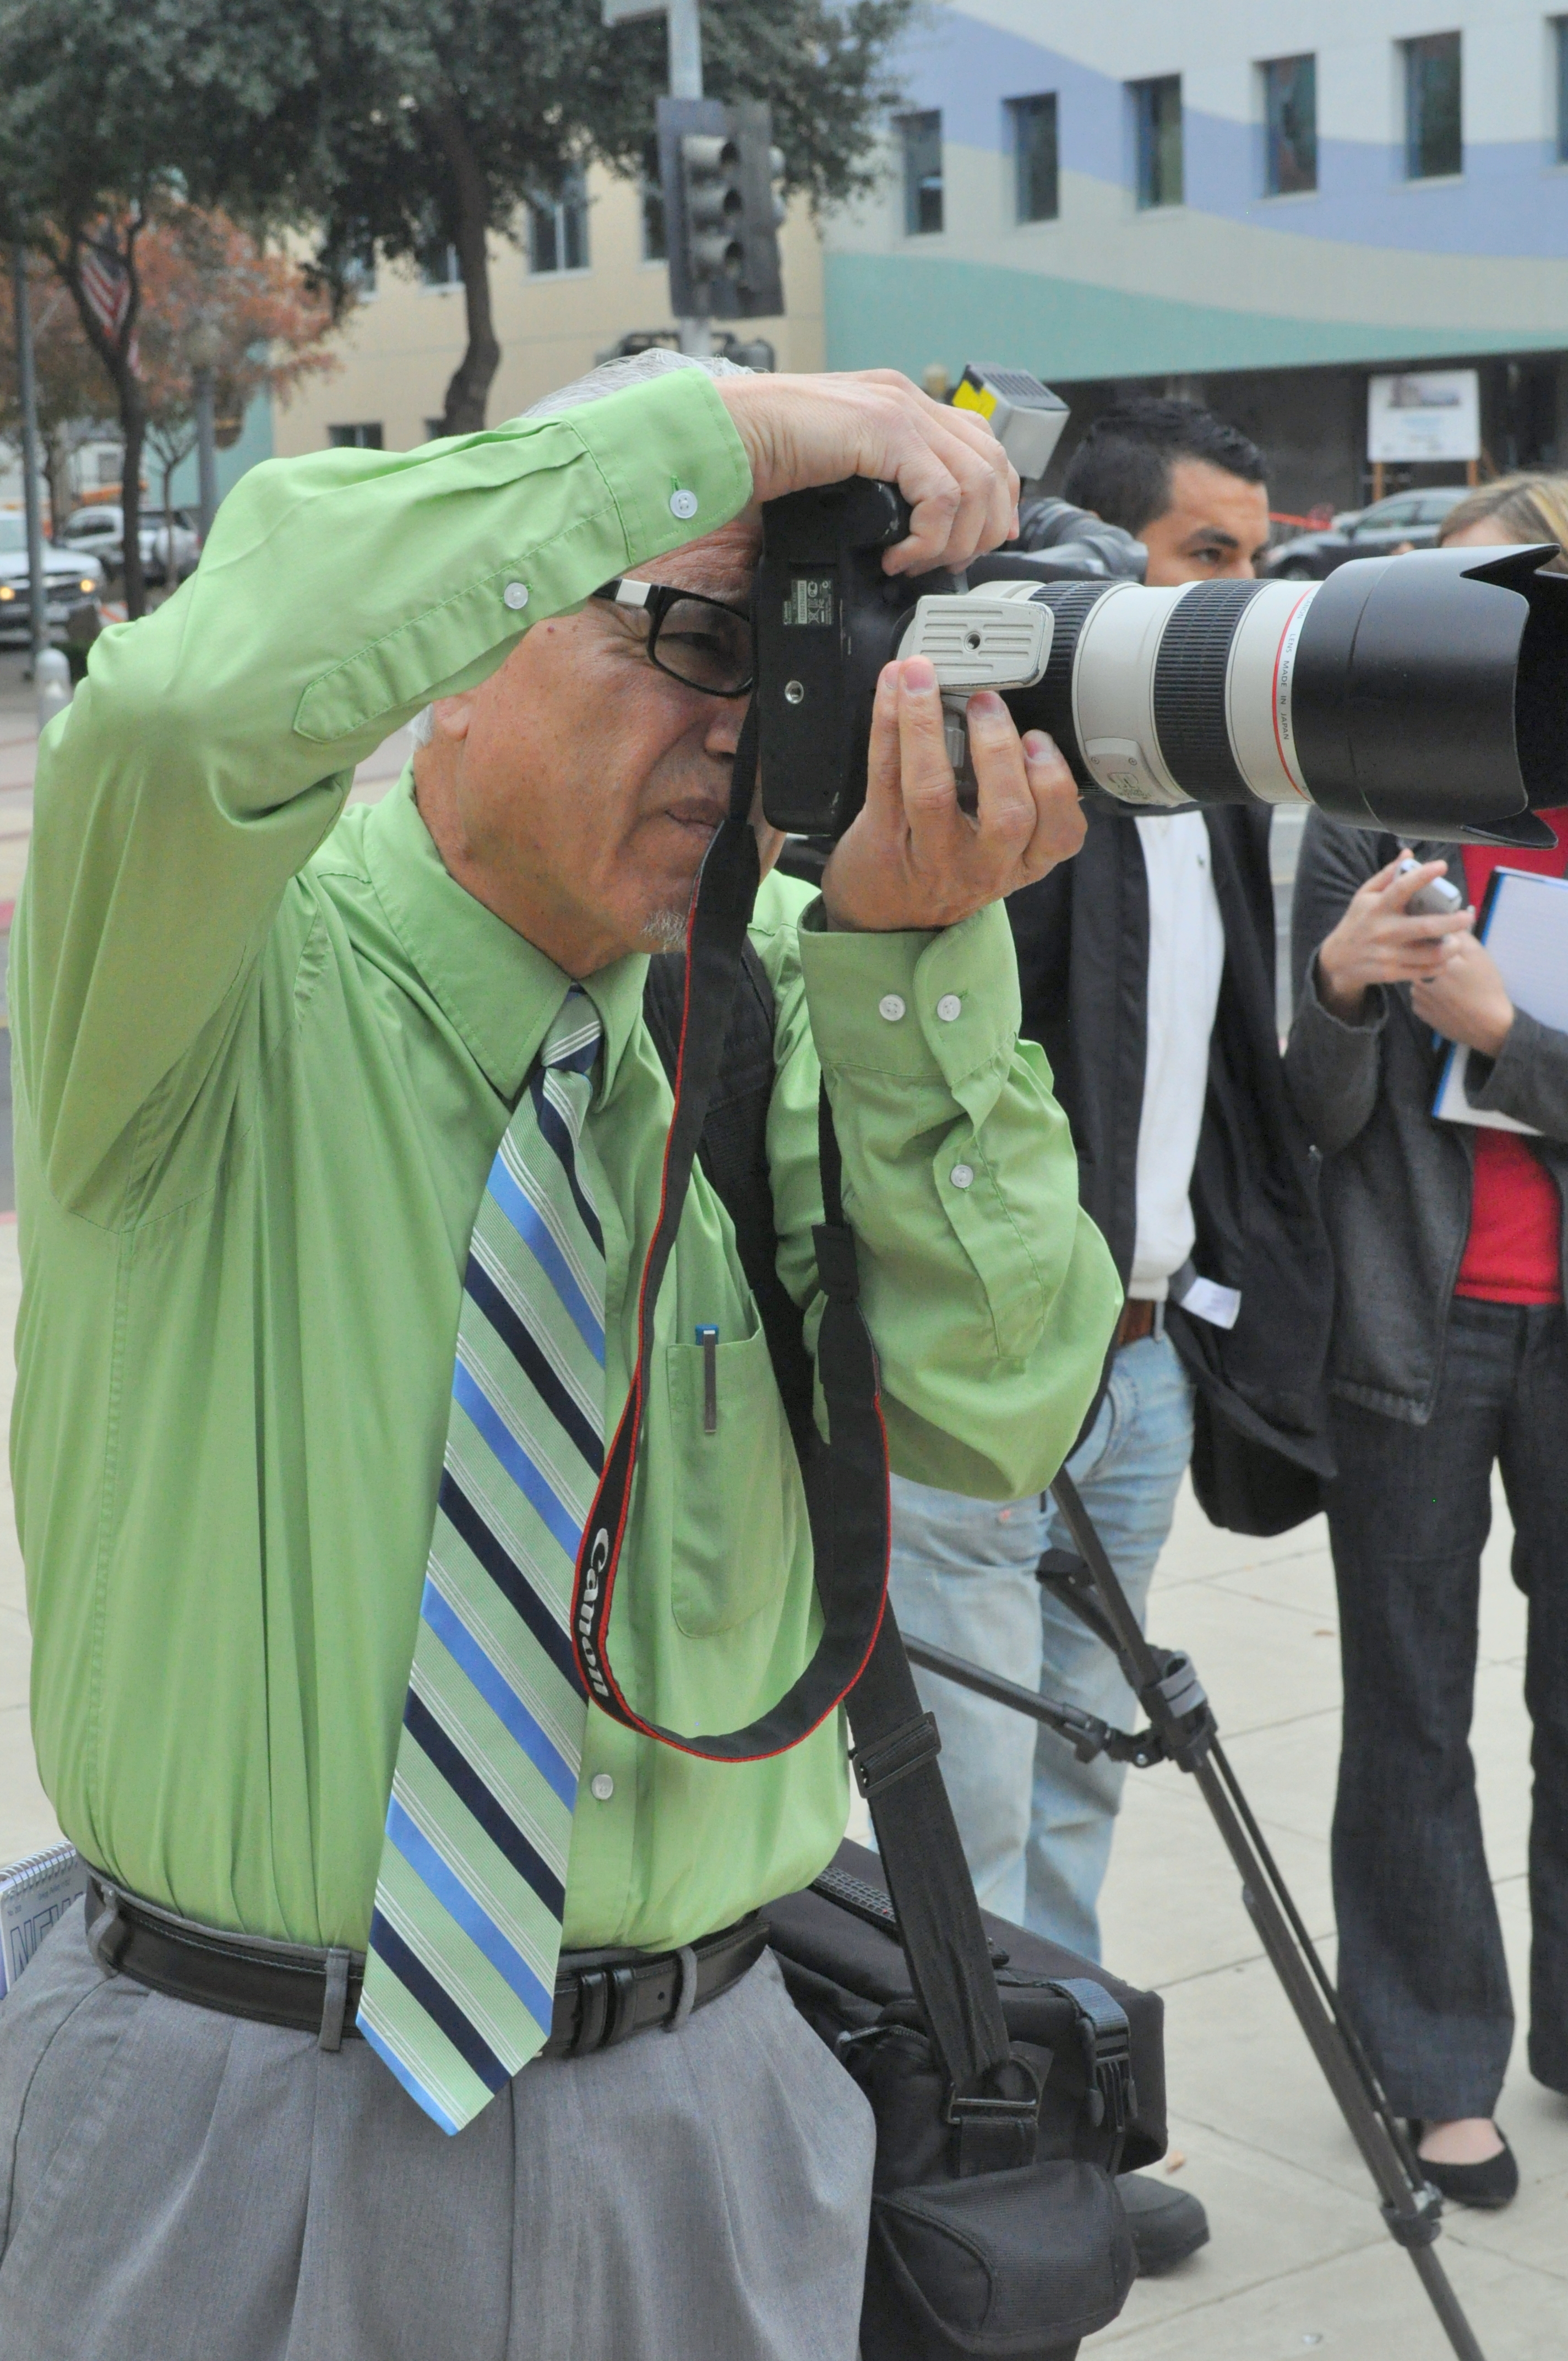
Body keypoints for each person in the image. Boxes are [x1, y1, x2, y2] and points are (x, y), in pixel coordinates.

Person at [0, 352, 1120, 2359]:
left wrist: (916, 968)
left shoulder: (791, 1000)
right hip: (228, 2108)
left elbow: (1003, 1412)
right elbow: (177, 705)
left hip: (709, 2105)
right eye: (694, 636)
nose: (747, 724)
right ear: (457, 645)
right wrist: (721, 431)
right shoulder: (199, 983)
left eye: (792, 659)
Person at [886, 395, 1335, 2273]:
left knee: (1078, 1776)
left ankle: (1054, 2134)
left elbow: (1219, 1077)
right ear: (1081, 575)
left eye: (1257, 562)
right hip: (990, 1387)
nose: (1239, 602)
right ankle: (951, 2182)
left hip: (1143, 1365)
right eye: (1202, 561)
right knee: (971, 1798)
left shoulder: (1210, 790)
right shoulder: (985, 795)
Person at [1284, 471, 1568, 2213]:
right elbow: (1311, 1120)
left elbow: (1518, 1055)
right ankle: (1436, 2063)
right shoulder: (1363, 816)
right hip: (1416, 1324)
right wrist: (1335, 990)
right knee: (1410, 1702)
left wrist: (1503, 1031)